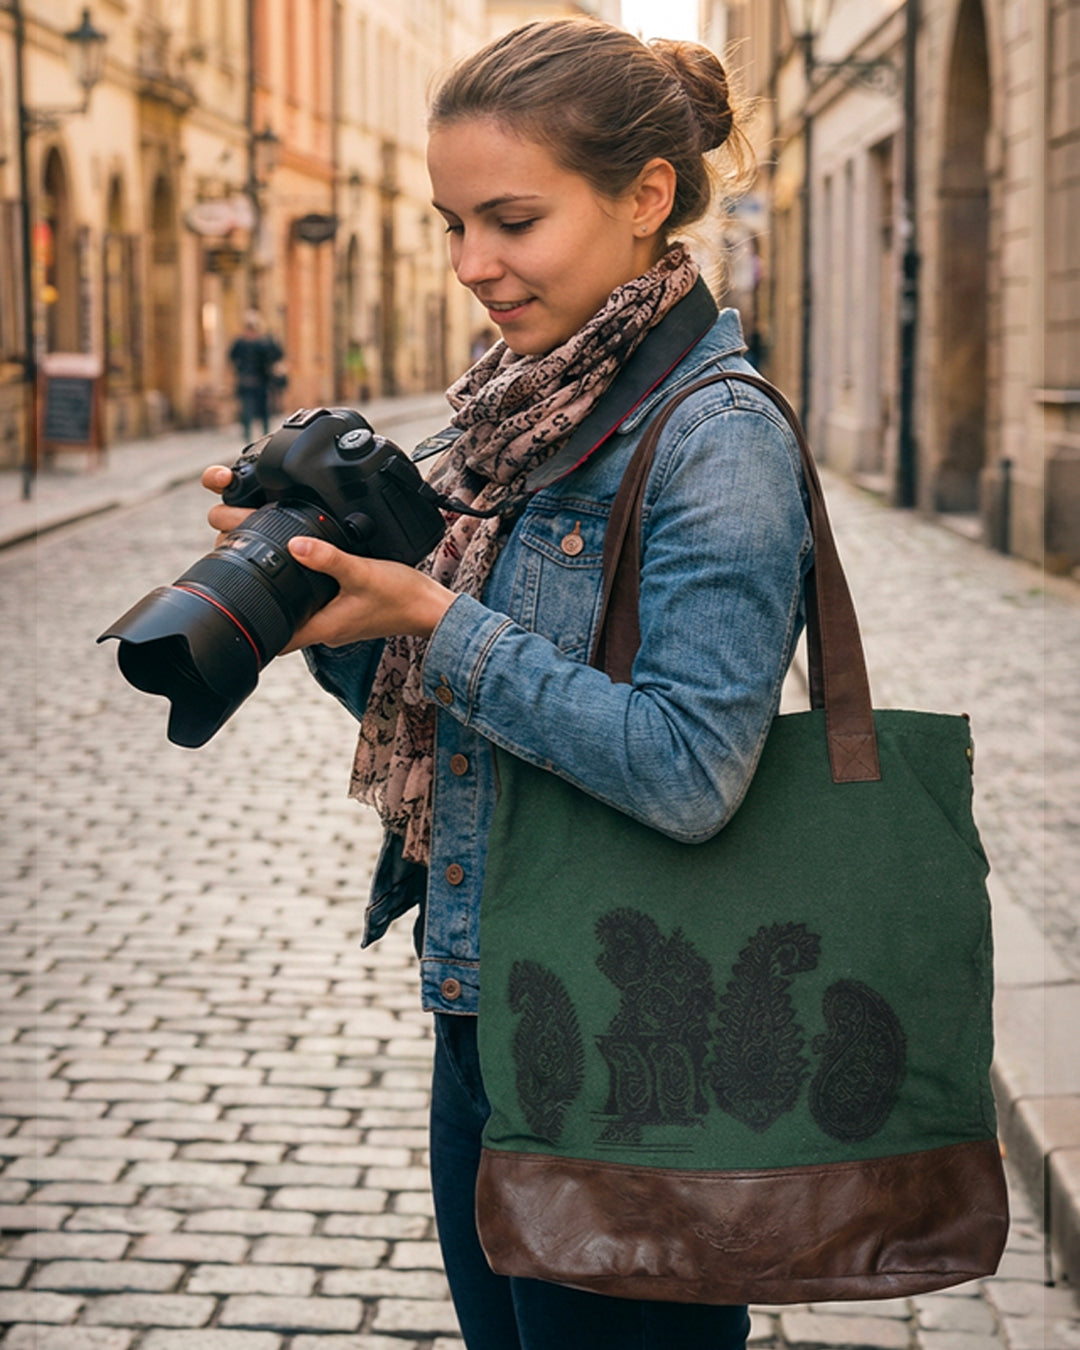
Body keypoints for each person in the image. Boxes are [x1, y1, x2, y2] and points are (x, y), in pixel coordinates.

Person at [204, 18, 811, 1349]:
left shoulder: (715, 438)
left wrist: (433, 612)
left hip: (637, 1039)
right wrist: (324, 598)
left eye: (514, 220)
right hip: (484, 1001)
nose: (476, 264)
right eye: (453, 223)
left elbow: (689, 771)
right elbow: (459, 714)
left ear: (646, 195)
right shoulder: (515, 419)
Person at [228, 310, 283, 441]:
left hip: (261, 380)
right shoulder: (240, 343)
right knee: (247, 409)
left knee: (263, 409)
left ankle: (265, 434)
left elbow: (276, 355)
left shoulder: (264, 343)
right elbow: (232, 358)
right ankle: (247, 433)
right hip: (246, 380)